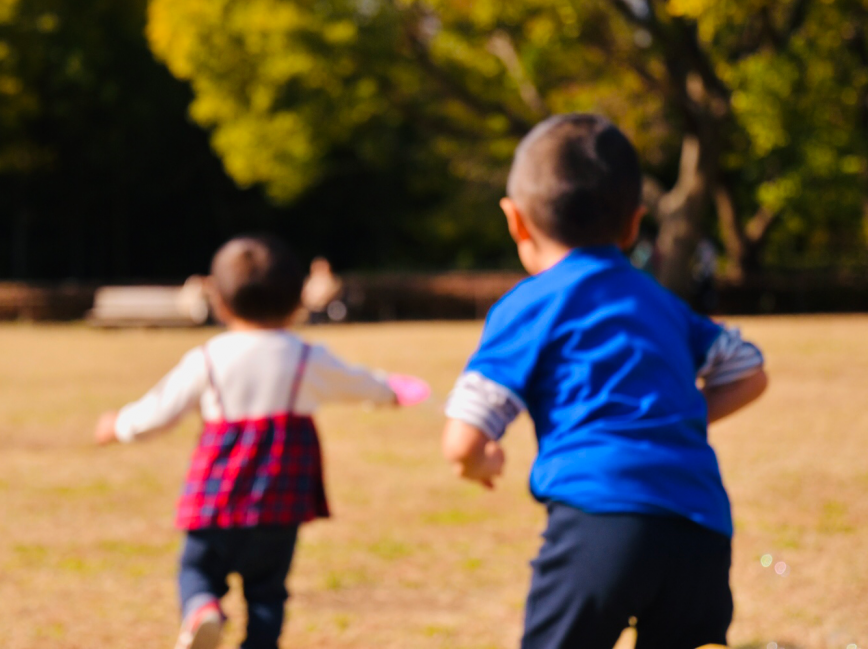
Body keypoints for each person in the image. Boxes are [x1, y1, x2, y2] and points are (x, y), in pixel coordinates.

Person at [441, 114, 768, 649]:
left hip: (600, 523)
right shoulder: (662, 302)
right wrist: (675, 417)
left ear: (515, 221)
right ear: (635, 224)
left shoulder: (530, 304)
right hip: (702, 528)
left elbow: (462, 440)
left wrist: (480, 462)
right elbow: (749, 371)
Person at [95, 235, 405, 649]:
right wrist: (388, 392)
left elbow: (158, 412)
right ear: (299, 301)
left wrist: (118, 426)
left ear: (219, 301)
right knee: (267, 593)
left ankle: (203, 608)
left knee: (197, 571)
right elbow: (356, 382)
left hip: (217, 498)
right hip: (281, 502)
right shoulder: (305, 356)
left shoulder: (208, 357)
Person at [301, 257, 345, 323]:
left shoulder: (331, 280)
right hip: (311, 309)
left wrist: (321, 301)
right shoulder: (310, 280)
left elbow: (333, 293)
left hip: (325, 309)